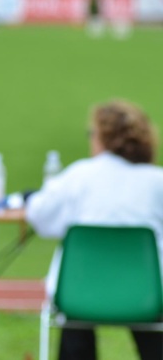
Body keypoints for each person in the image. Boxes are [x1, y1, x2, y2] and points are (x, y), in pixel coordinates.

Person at [26, 99, 163, 360]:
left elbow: (40, 217)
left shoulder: (79, 176)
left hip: (79, 295)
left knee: (76, 309)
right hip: (147, 295)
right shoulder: (157, 182)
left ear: (102, 137)